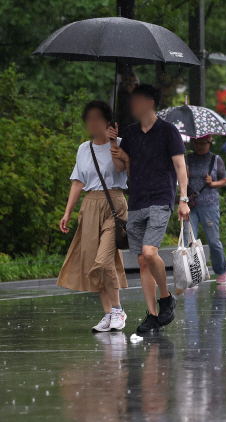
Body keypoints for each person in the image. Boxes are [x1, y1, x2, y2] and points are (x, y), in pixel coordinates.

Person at [108, 83, 189, 333]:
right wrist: (114, 145)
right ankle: (153, 315)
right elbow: (122, 168)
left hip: (160, 198)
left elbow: (180, 167)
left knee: (150, 252)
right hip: (137, 201)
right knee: (143, 260)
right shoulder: (130, 134)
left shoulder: (168, 131)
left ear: (151, 102)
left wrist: (183, 199)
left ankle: (165, 297)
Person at [57, 100, 129, 332]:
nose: (93, 122)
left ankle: (118, 310)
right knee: (91, 261)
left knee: (104, 260)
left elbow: (120, 169)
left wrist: (113, 143)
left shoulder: (120, 144)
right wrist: (68, 212)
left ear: (109, 121)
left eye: (97, 118)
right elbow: (78, 181)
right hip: (89, 205)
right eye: (89, 118)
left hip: (114, 204)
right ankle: (108, 314)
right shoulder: (83, 148)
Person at [184, 135, 226, 284]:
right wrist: (185, 177)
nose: (200, 146)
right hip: (190, 204)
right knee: (189, 240)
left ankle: (222, 270)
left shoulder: (216, 159)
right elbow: (179, 181)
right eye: (197, 142)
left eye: (203, 143)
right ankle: (193, 274)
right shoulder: (187, 159)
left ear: (210, 143)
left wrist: (213, 183)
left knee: (213, 241)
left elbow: (225, 181)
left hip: (209, 203)